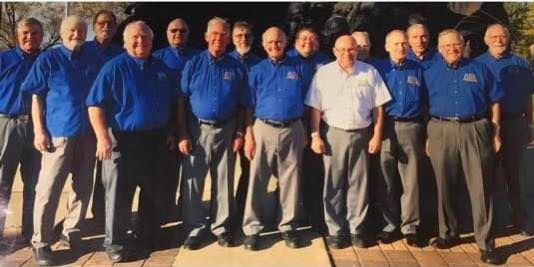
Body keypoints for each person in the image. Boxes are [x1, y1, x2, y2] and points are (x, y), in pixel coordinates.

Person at [86, 21, 179, 263]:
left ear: (152, 40)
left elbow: (171, 101)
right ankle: (115, 242)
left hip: (156, 139)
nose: (141, 42)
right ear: (126, 41)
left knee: (151, 191)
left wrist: (171, 128)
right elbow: (95, 105)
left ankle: (146, 234)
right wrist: (102, 137)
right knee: (119, 194)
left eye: (145, 38)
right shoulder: (114, 67)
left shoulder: (162, 68)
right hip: (122, 140)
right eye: (135, 38)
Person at [21, 15, 101, 266]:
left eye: (80, 29)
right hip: (58, 134)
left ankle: (70, 232)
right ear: (62, 32)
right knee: (49, 190)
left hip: (87, 135)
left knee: (82, 187)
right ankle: (41, 242)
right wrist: (39, 131)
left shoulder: (93, 59)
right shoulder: (49, 59)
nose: (76, 33)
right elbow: (37, 97)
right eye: (71, 29)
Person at [425, 29, 503, 264]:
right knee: (444, 184)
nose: (452, 49)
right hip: (440, 129)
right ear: (439, 49)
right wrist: (429, 136)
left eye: (456, 44)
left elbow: (495, 101)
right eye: (446, 46)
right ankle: (448, 233)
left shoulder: (480, 69)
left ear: (463, 45)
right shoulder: (430, 71)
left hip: (474, 128)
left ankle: (486, 244)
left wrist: (496, 132)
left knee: (480, 186)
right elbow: (422, 105)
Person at [306, 35, 391, 249]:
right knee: (333, 184)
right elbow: (314, 108)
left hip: (362, 134)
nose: (347, 53)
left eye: (351, 49)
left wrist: (377, 135)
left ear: (357, 50)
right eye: (342, 50)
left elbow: (378, 108)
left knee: (358, 184)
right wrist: (315, 136)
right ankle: (335, 230)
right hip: (333, 134)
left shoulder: (369, 72)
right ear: (334, 51)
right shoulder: (324, 74)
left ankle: (357, 229)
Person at [178, 17, 248, 250]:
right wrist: (183, 133)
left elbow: (243, 104)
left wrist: (239, 131)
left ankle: (222, 228)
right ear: (207, 36)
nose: (219, 38)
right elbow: (181, 100)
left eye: (224, 35)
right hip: (197, 129)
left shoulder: (236, 66)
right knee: (193, 182)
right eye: (215, 34)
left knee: (224, 181)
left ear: (229, 39)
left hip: (227, 128)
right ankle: (195, 229)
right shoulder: (193, 64)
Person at [242, 27, 311, 251]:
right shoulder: (257, 69)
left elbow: (309, 101)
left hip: (293, 128)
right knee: (257, 180)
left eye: (278, 41)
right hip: (263, 127)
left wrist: (307, 130)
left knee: (291, 179)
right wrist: (249, 135)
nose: (274, 45)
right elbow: (248, 106)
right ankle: (252, 228)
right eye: (270, 42)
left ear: (285, 42)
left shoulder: (298, 66)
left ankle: (288, 225)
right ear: (263, 44)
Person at [475, 23, 534, 236]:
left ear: (508, 39)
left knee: (515, 175)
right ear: (486, 40)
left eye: (502, 36)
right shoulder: (476, 64)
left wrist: (529, 124)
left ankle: (521, 219)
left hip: (515, 123)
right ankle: (492, 222)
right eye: (494, 36)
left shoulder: (521, 64)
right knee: (486, 174)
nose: (499, 40)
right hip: (485, 124)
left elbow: (528, 96)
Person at [373, 30, 425, 247]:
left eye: (404, 43)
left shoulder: (419, 70)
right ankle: (389, 224)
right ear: (386, 46)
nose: (401, 47)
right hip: (385, 127)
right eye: (396, 44)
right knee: (386, 179)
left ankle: (410, 226)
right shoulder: (378, 70)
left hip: (411, 126)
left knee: (410, 180)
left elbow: (426, 101)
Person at [0, 18, 43, 246]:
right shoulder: (4, 59)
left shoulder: (46, 60)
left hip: (38, 128)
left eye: (35, 33)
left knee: (34, 182)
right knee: (2, 181)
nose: (30, 37)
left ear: (42, 36)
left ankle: (30, 232)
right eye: (26, 32)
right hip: (7, 124)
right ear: (18, 35)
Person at [153, 18, 200, 225]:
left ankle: (187, 210)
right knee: (167, 172)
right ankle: (165, 212)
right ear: (166, 33)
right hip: (167, 122)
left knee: (192, 171)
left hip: (195, 120)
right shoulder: (157, 58)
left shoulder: (198, 57)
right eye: (173, 30)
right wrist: (170, 127)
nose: (178, 34)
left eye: (182, 30)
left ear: (188, 33)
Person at [287, 26, 331, 232]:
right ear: (295, 40)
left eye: (313, 39)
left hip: (319, 125)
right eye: (304, 38)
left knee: (315, 172)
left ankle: (315, 215)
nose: (308, 43)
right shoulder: (287, 60)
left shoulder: (326, 62)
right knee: (290, 173)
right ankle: (291, 215)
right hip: (293, 124)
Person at [85, 9, 123, 225]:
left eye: (110, 23)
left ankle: (101, 214)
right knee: (80, 172)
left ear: (116, 28)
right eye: (101, 23)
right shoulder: (83, 50)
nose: (105, 26)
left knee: (105, 171)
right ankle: (74, 219)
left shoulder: (120, 54)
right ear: (94, 25)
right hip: (81, 120)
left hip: (108, 121)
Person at [227, 21, 262, 225]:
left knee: (249, 168)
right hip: (228, 121)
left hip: (251, 122)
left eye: (247, 35)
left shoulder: (260, 63)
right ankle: (223, 212)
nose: (243, 39)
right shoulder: (224, 60)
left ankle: (242, 210)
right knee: (224, 172)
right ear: (232, 38)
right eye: (239, 35)